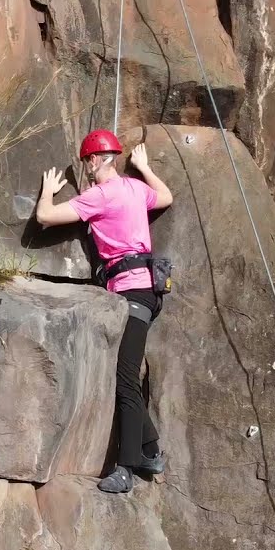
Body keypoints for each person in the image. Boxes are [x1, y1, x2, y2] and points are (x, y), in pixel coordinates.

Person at [36, 129, 173, 494]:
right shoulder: (133, 188)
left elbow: (46, 217)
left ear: (95, 160)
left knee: (125, 377)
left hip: (131, 291)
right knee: (124, 372)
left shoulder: (98, 196)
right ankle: (150, 451)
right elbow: (166, 196)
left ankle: (126, 468)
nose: (86, 168)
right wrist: (144, 168)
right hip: (146, 290)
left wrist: (48, 191)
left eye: (87, 162)